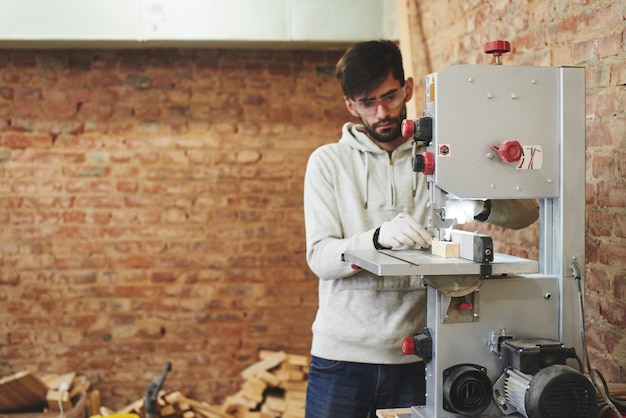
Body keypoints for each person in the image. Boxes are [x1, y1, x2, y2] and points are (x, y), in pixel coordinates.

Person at [303, 40, 539, 418]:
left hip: (423, 353)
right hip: (342, 360)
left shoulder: (445, 155)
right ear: (350, 105)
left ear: (408, 89)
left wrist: (479, 203)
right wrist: (376, 239)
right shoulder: (327, 164)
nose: (382, 112)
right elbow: (320, 258)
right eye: (367, 102)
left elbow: (527, 212)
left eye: (390, 96)